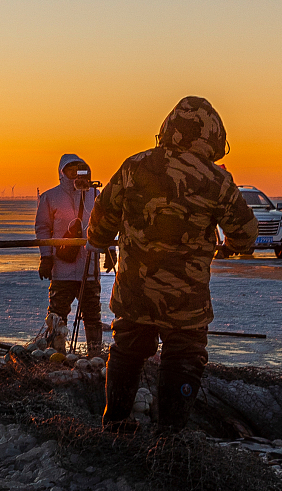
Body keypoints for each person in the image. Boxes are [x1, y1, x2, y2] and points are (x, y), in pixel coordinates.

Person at [86, 96, 258, 430]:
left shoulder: (134, 166)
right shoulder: (216, 180)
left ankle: (116, 423)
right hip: (186, 298)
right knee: (184, 355)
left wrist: (99, 238)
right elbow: (247, 232)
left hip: (135, 289)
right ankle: (171, 436)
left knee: (127, 349)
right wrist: (232, 246)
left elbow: (103, 213)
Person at [35, 154, 105, 357]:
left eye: (79, 169)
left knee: (92, 314)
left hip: (89, 268)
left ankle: (95, 354)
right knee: (58, 314)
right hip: (61, 268)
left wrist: (109, 253)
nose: (75, 174)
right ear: (62, 172)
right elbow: (42, 228)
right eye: (71, 170)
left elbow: (104, 226)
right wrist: (46, 257)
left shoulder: (94, 194)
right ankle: (56, 353)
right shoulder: (50, 197)